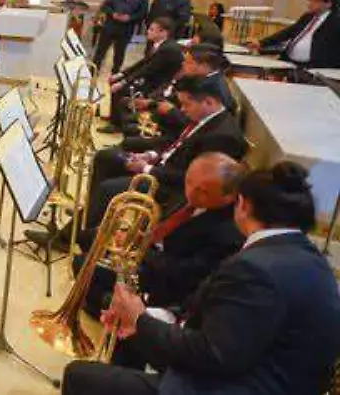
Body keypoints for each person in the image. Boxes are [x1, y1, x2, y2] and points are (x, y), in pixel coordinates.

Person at [62, 162, 340, 395]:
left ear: (242, 205)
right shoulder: (305, 255)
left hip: (237, 384)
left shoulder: (257, 269)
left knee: (79, 377)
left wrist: (139, 318)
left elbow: (213, 355)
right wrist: (154, 319)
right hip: (254, 367)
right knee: (131, 336)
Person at [35, 76, 247, 251]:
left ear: (209, 102)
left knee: (109, 189)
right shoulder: (205, 118)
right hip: (162, 168)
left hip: (174, 189)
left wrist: (147, 169)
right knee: (106, 157)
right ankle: (90, 216)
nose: (181, 109)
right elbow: (176, 145)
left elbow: (191, 178)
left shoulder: (223, 135)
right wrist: (151, 155)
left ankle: (67, 238)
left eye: (186, 104)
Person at [77, 153, 244, 324]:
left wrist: (137, 249)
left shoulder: (228, 232)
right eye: (188, 182)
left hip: (163, 278)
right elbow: (163, 223)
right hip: (153, 252)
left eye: (203, 192)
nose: (191, 193)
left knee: (83, 264)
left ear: (229, 197)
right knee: (88, 237)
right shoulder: (194, 190)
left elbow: (182, 273)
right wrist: (131, 235)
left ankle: (109, 311)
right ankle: (98, 294)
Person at [100, 17, 184, 134]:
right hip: (151, 78)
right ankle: (114, 117)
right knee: (115, 83)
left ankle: (117, 124)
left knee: (121, 90)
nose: (148, 31)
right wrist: (121, 74)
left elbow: (148, 70)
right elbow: (143, 63)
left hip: (158, 85)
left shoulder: (168, 49)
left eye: (152, 29)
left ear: (163, 32)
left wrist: (123, 82)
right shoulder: (157, 44)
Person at [252, 0, 340, 69]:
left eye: (314, 1)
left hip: (313, 67)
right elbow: (288, 32)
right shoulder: (308, 16)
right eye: (309, 0)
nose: (309, 4)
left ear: (328, 3)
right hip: (288, 60)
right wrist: (262, 43)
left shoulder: (336, 21)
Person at [94, 0, 149, 75]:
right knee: (100, 51)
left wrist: (130, 18)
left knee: (119, 53)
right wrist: (113, 14)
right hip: (109, 27)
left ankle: (115, 73)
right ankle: (93, 70)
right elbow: (105, 6)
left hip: (126, 30)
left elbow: (143, 14)